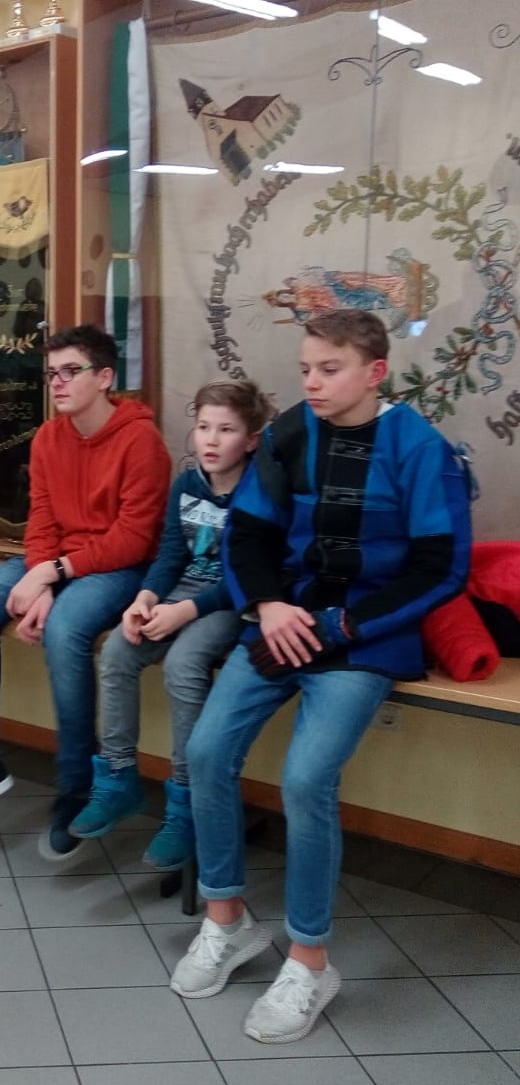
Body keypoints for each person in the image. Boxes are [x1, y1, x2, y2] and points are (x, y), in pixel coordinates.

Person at [170, 309, 471, 1044]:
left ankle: (308, 961)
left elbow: (441, 568)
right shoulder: (287, 434)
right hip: (281, 626)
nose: (311, 381)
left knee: (306, 780)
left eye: (328, 369)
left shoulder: (419, 448)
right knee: (206, 750)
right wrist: (269, 605)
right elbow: (248, 535)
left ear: (374, 372)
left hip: (365, 638)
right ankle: (226, 921)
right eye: (305, 368)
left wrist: (343, 626)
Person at [0, 324, 172, 861]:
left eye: (70, 371)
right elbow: (42, 520)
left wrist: (52, 575)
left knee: (65, 629)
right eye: (50, 373)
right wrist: (41, 578)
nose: (57, 382)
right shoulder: (47, 439)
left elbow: (133, 538)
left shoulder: (141, 440)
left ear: (104, 378)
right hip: (57, 562)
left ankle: (78, 783)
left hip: (120, 567)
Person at [75, 379, 273, 870]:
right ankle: (117, 776)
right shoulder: (186, 486)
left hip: (230, 602)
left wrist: (185, 612)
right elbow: (169, 555)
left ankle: (187, 804)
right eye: (203, 427)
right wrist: (145, 599)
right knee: (118, 651)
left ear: (251, 439)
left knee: (183, 664)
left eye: (226, 429)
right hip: (179, 592)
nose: (211, 440)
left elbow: (249, 576)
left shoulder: (259, 492)